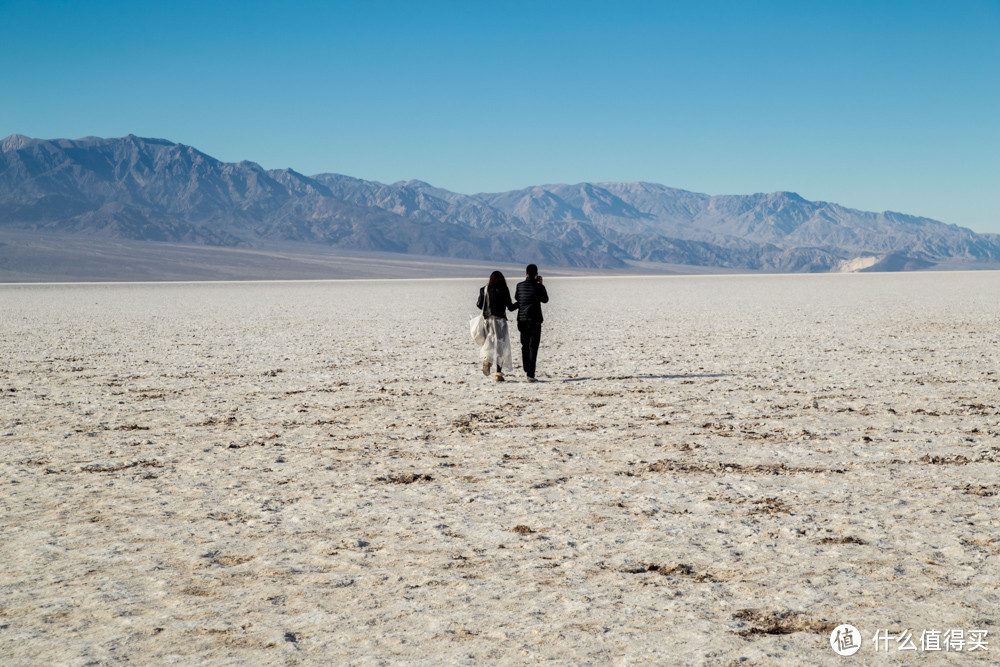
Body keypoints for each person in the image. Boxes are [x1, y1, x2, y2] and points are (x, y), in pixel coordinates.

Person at [476, 271, 517, 382]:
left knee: (489, 342)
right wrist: (521, 302)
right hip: (500, 321)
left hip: (488, 320)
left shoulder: (484, 289)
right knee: (501, 346)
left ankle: (487, 359)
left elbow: (479, 305)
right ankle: (498, 373)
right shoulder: (504, 289)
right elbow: (511, 307)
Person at [514, 264, 549, 382]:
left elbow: (518, 299)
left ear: (526, 274)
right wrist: (541, 284)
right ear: (536, 274)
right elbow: (545, 299)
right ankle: (530, 374)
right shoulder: (538, 287)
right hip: (535, 320)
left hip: (522, 320)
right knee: (533, 347)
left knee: (525, 345)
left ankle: (525, 367)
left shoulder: (519, 286)